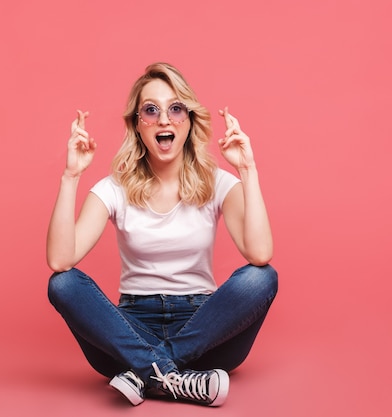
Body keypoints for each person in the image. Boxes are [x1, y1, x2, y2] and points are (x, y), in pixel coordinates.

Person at [46, 62, 278, 407]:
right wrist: (70, 175)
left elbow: (259, 254)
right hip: (129, 329)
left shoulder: (217, 185)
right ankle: (176, 377)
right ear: (138, 125)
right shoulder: (114, 189)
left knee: (262, 278)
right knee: (62, 284)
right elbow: (61, 260)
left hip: (205, 328)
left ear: (189, 120)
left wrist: (247, 168)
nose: (164, 120)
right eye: (151, 110)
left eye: (175, 108)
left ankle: (146, 372)